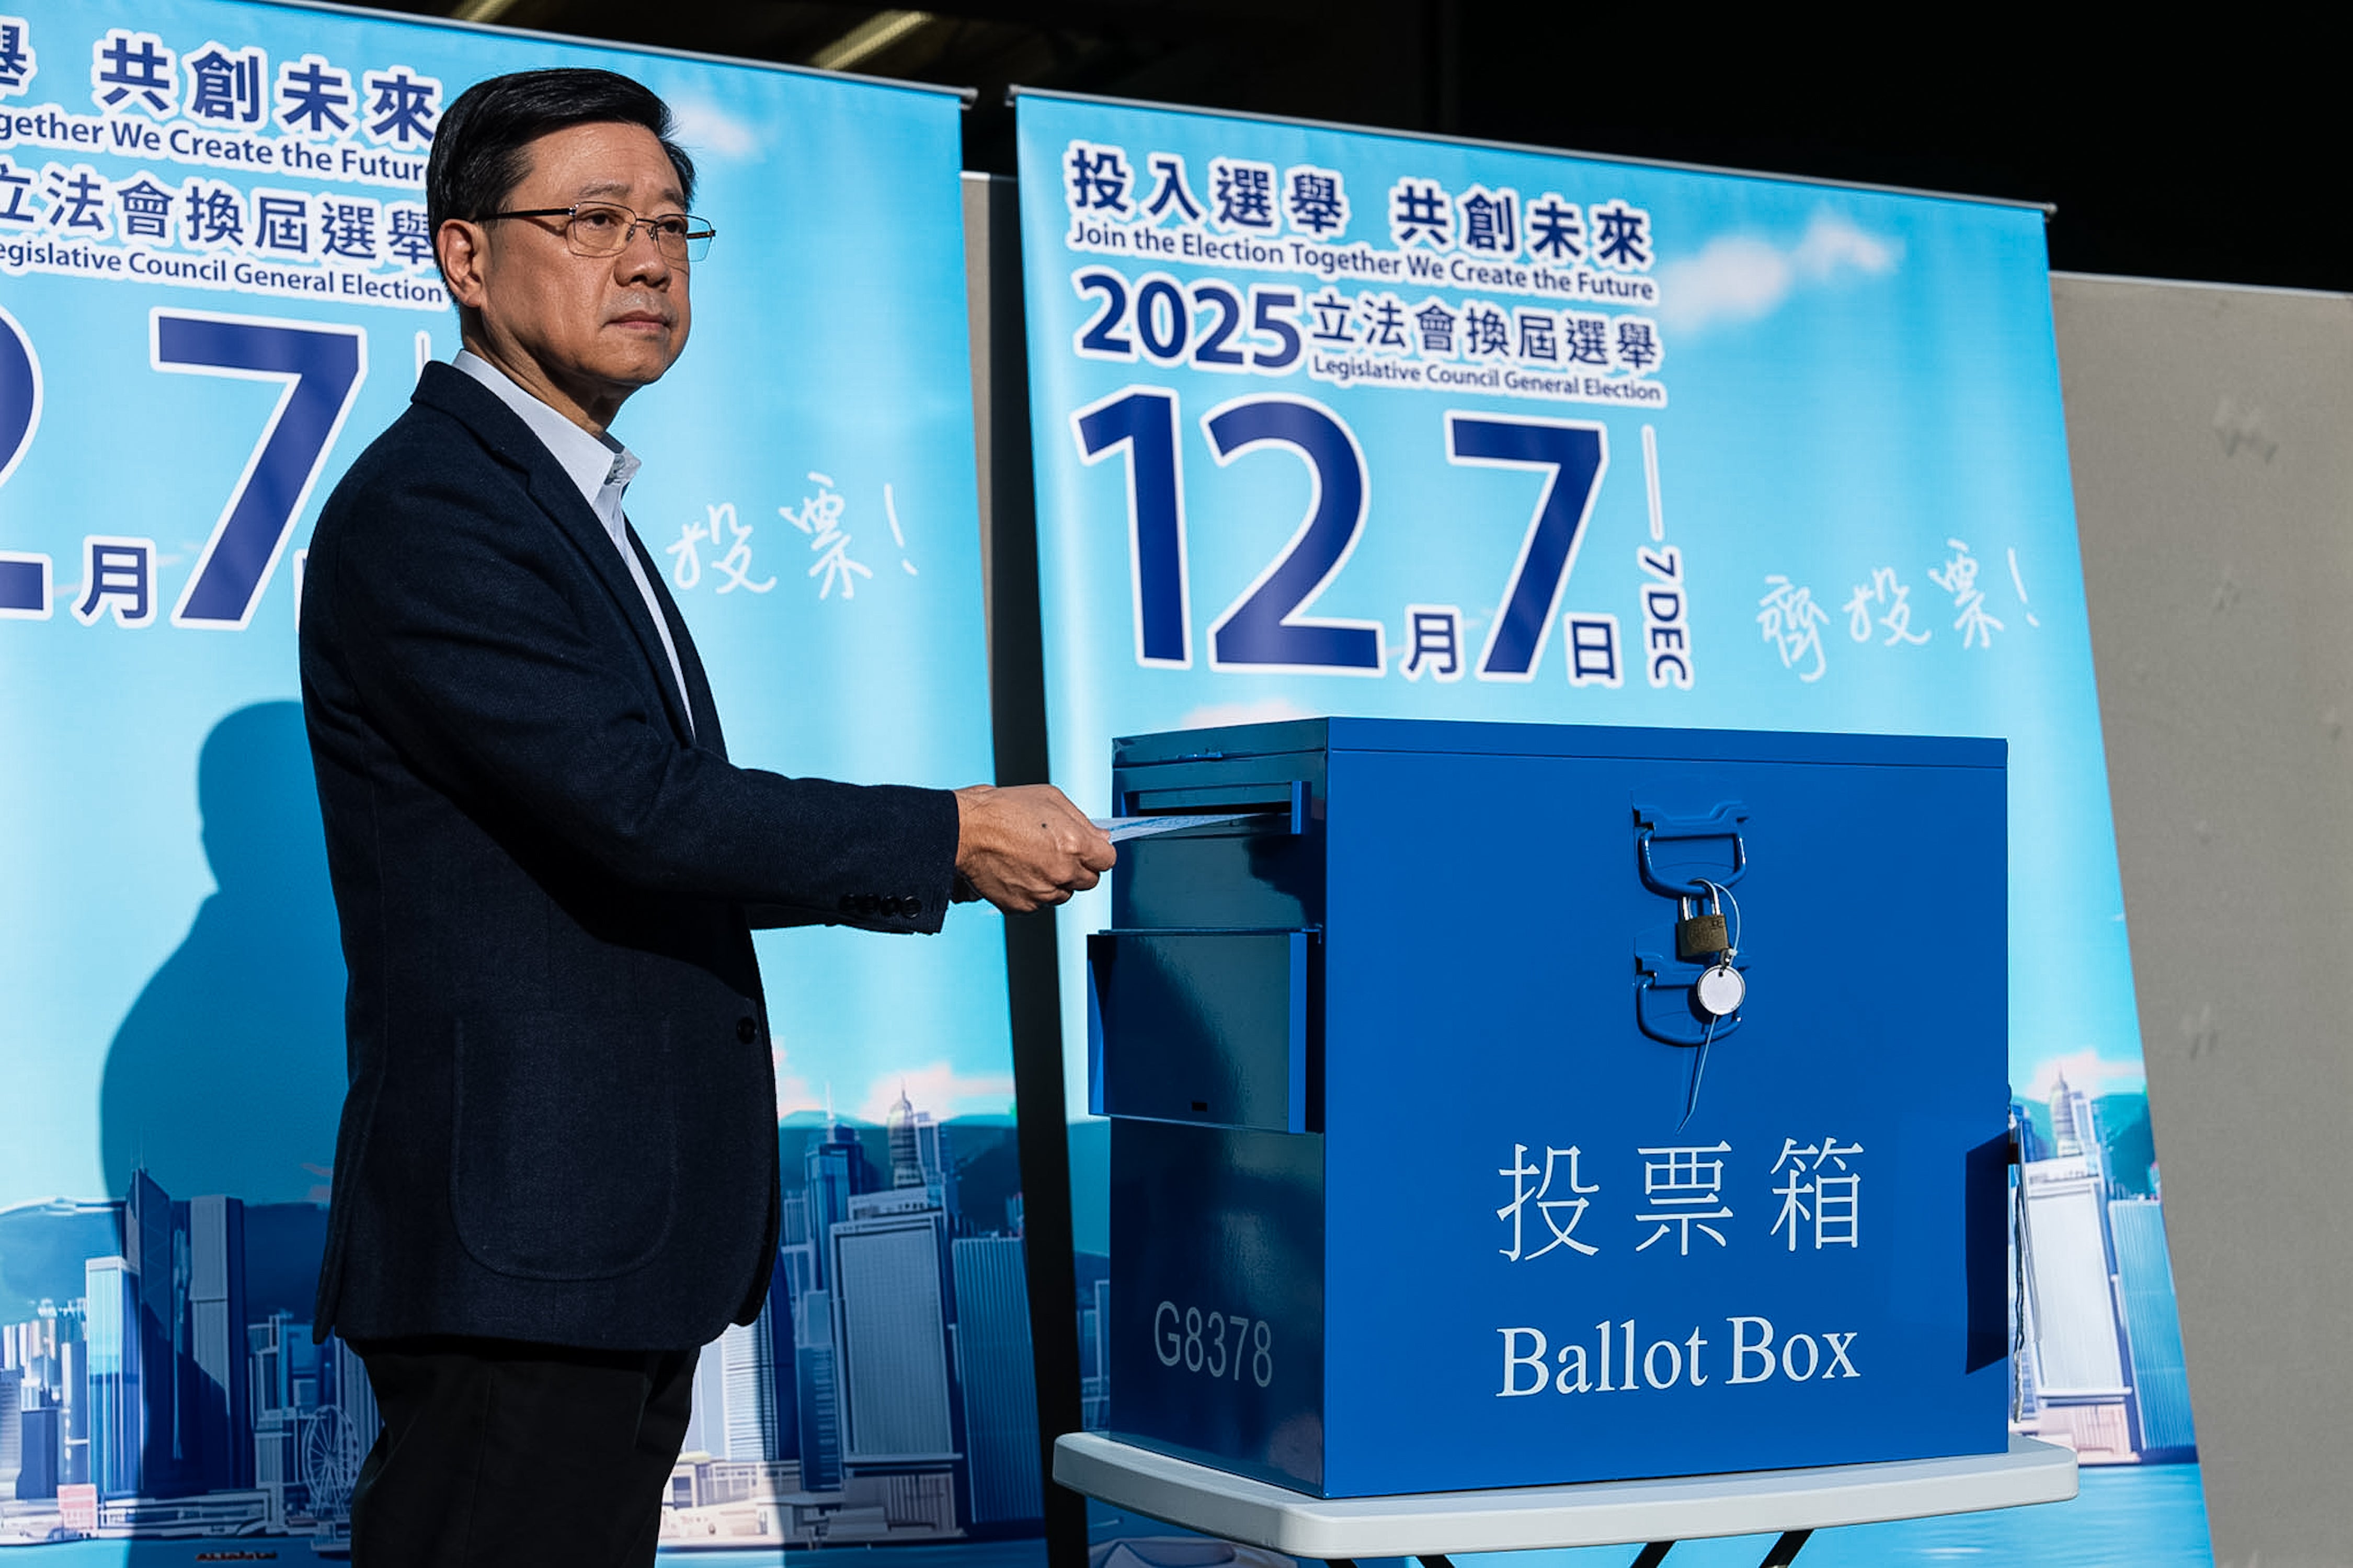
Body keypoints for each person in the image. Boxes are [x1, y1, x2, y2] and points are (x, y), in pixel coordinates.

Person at [297, 67, 1113, 1565]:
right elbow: (638, 809)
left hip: (593, 1244)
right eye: (592, 219)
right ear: (463, 257)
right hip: (521, 1251)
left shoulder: (564, 495)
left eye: (671, 223)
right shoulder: (435, 508)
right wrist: (947, 833)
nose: (647, 258)